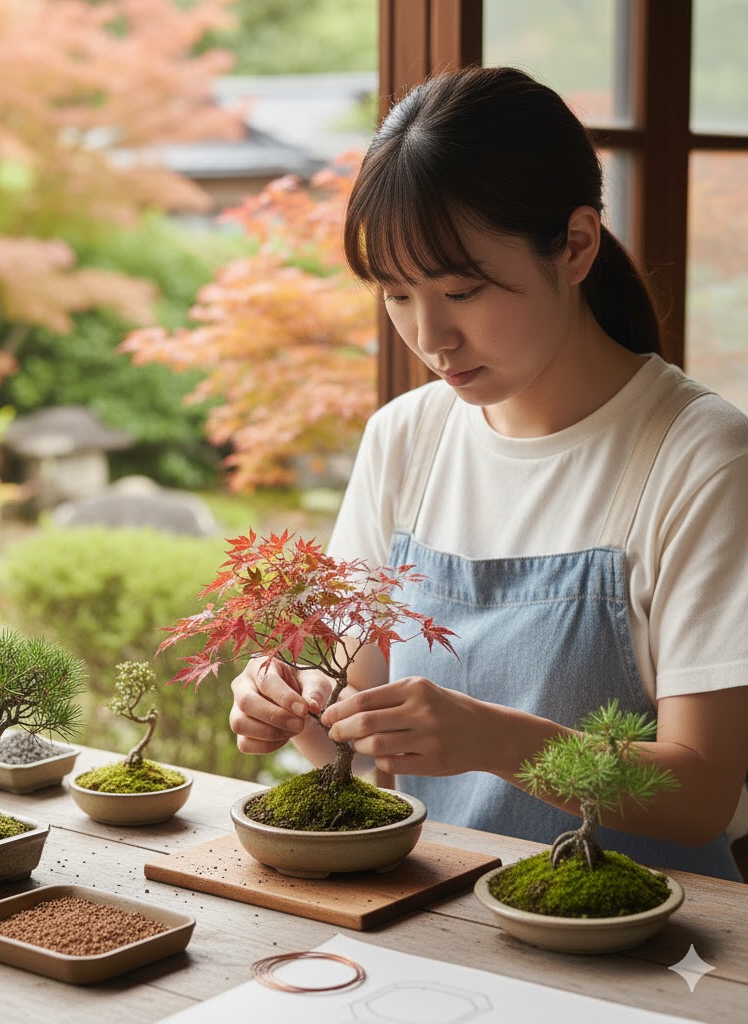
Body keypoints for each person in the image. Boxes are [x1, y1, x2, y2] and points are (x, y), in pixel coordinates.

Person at [228, 66, 748, 881]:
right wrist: (284, 702)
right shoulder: (405, 439)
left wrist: (495, 739)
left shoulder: (699, 456)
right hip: (436, 924)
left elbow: (703, 794)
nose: (431, 336)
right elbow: (356, 742)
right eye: (396, 294)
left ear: (575, 246)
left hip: (643, 955)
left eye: (462, 291)